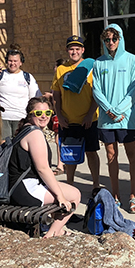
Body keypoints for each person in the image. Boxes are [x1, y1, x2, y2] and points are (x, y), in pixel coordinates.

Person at [9, 96, 80, 237]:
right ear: (30, 114)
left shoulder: (26, 129)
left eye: (47, 113)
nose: (43, 116)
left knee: (63, 189)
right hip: (25, 190)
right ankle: (51, 235)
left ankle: (56, 231)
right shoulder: (35, 134)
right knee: (74, 196)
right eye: (38, 113)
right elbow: (43, 169)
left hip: (18, 187)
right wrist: (60, 197)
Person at [92, 24, 135, 213]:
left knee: (132, 155)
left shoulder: (131, 60)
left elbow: (134, 89)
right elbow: (96, 89)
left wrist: (120, 110)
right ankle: (115, 195)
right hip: (106, 118)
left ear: (120, 39)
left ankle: (133, 196)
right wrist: (108, 109)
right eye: (107, 39)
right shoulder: (99, 63)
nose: (110, 42)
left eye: (114, 39)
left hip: (126, 118)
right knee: (111, 156)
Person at [51, 35, 100, 189]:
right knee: (69, 155)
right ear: (67, 50)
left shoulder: (91, 68)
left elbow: (96, 95)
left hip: (88, 120)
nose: (74, 52)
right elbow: (56, 94)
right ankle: (70, 184)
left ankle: (96, 185)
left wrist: (89, 115)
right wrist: (59, 115)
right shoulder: (61, 69)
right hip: (68, 119)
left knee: (91, 152)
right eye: (71, 49)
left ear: (82, 50)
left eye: (77, 49)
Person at [0, 43, 41, 139]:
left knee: (20, 146)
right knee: (4, 147)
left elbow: (35, 98)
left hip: (21, 117)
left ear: (21, 62)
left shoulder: (27, 77)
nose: (12, 63)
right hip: (3, 117)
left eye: (15, 61)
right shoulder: (0, 76)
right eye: (10, 61)